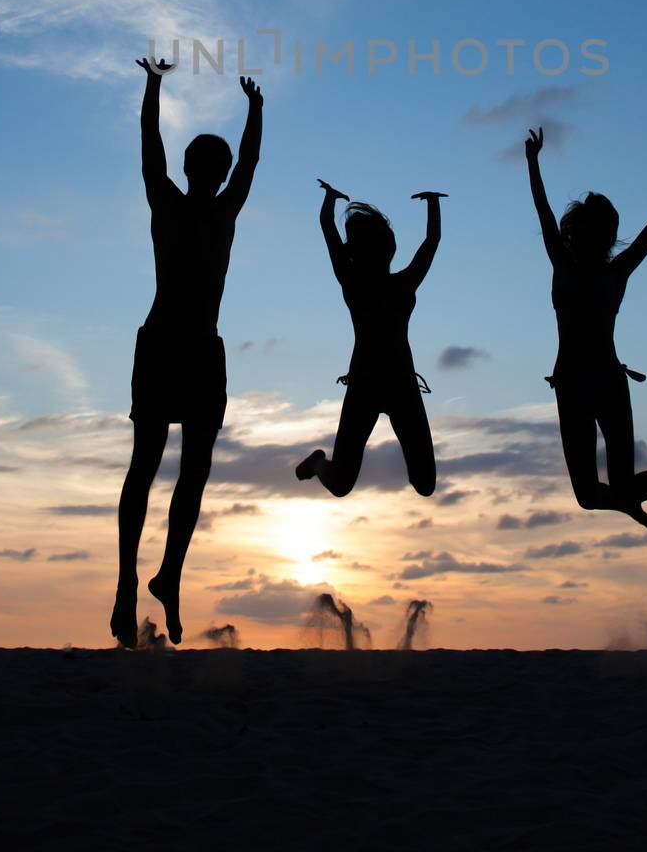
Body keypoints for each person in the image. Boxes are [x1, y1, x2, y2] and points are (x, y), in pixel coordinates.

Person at [110, 60, 263, 647]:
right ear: (215, 173)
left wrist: (153, 88)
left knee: (153, 469)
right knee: (173, 471)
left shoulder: (177, 203)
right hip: (187, 345)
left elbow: (150, 147)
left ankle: (154, 578)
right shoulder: (212, 209)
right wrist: (255, 110)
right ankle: (145, 580)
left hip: (179, 347)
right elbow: (245, 162)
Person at [526, 128, 647, 534]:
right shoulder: (615, 271)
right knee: (612, 492)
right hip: (602, 384)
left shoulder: (568, 265)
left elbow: (543, 211)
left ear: (578, 234)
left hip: (580, 386)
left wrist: (533, 162)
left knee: (592, 495)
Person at [295, 182, 445, 499]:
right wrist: (432, 204)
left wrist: (330, 200)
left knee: (425, 483)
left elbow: (431, 242)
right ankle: (319, 463)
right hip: (366, 384)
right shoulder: (360, 282)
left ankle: (322, 464)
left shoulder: (386, 282)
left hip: (400, 385)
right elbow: (431, 241)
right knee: (340, 483)